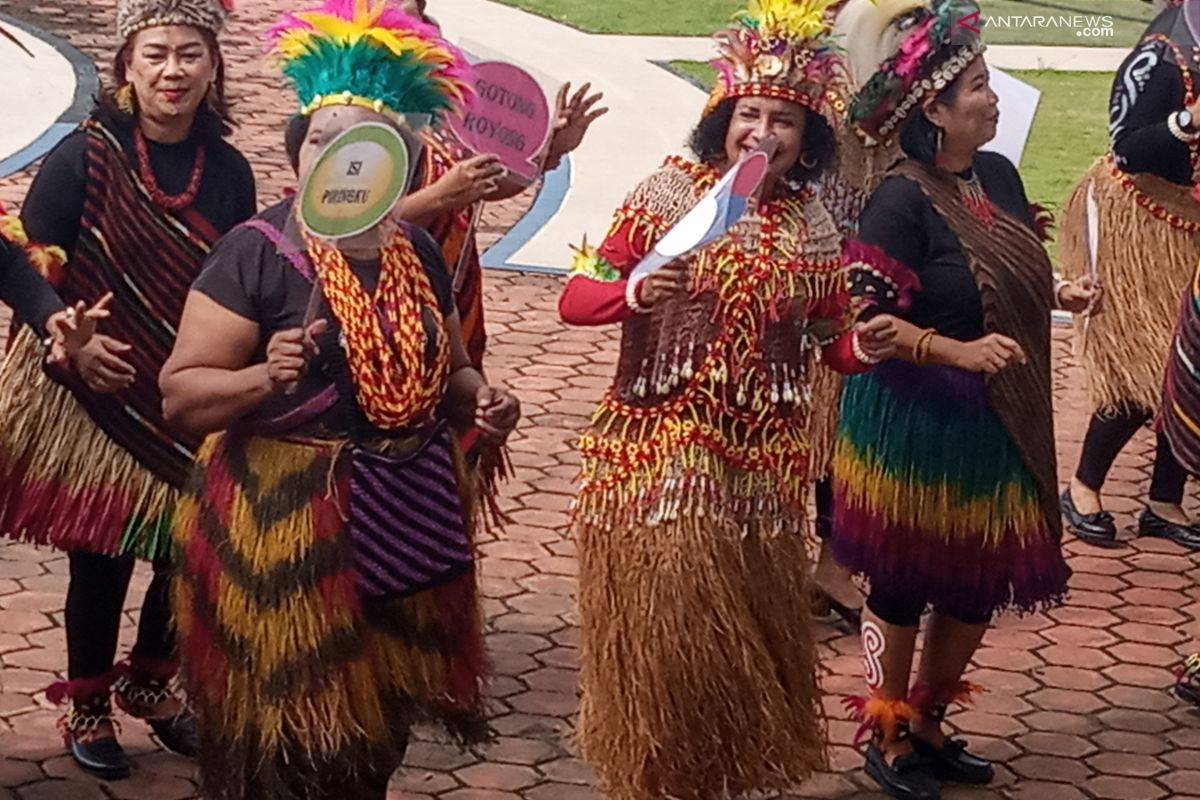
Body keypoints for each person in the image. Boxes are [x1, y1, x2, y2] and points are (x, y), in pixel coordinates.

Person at [160, 3, 519, 798]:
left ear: (395, 158)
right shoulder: (256, 251)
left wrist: (483, 401)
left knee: (373, 739)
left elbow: (454, 373)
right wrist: (264, 376)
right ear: (299, 153)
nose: (341, 153)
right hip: (283, 528)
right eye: (322, 137)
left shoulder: (415, 247)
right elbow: (182, 398)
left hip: (403, 512)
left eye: (364, 139)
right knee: (281, 749)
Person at [558, 1, 897, 797]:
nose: (764, 133)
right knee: (671, 632)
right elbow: (576, 299)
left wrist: (864, 347)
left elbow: (828, 341)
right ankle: (653, 770)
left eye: (784, 119)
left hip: (762, 472)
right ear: (723, 120)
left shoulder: (812, 226)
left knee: (737, 637)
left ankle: (708, 772)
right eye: (750, 113)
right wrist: (636, 291)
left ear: (808, 138)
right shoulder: (670, 194)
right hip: (659, 447)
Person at [832, 1, 1097, 798]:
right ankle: (885, 732)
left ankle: (930, 719)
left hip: (1001, 411)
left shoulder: (1000, 177)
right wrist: (958, 351)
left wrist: (1060, 289)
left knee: (978, 582)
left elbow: (1003, 267)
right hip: (917, 417)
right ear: (934, 112)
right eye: (978, 85)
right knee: (906, 580)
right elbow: (869, 322)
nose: (994, 97)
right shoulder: (898, 200)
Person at [0, 0, 256, 779]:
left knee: (190, 549)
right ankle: (86, 702)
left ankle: (152, 682)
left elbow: (236, 283)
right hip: (90, 387)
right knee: (102, 556)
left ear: (213, 66)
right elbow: (27, 256)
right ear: (125, 68)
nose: (172, 71)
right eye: (156, 55)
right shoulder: (86, 157)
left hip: (187, 389)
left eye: (189, 54)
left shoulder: (231, 171)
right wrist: (63, 333)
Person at [1059, 0, 1200, 549]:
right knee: (1145, 361)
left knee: (1192, 366)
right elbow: (1128, 145)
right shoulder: (1160, 54)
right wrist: (1188, 121)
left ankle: (1164, 501)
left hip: (1190, 222)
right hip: (1141, 219)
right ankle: (1083, 486)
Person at [808, 0, 924, 630]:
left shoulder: (905, 28)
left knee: (850, 428)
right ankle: (828, 562)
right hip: (819, 263)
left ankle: (838, 559)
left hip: (885, 256)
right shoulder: (821, 56)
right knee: (825, 428)